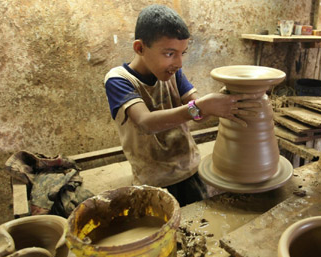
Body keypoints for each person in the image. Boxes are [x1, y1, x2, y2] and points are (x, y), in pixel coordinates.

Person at [104, 4, 261, 207]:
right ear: (140, 48)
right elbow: (146, 123)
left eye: (182, 53)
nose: (179, 63)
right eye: (169, 53)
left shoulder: (173, 73)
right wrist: (202, 107)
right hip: (154, 179)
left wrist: (223, 98)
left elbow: (199, 113)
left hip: (189, 168)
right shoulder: (119, 80)